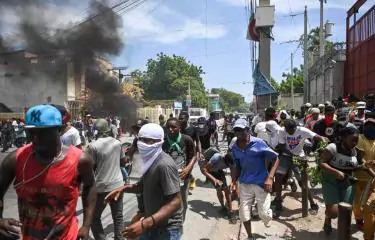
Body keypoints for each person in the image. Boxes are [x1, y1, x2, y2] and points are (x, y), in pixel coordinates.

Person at [0, 105, 97, 239]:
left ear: (59, 129)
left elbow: (90, 187)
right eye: (31, 132)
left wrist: (86, 225)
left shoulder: (80, 160)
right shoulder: (15, 159)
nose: (35, 138)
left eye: (42, 132)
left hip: (68, 236)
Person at [105, 123, 183, 240]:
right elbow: (143, 186)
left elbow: (176, 201)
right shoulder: (150, 160)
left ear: (159, 142)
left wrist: (144, 224)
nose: (142, 144)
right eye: (140, 140)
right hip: (151, 223)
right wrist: (123, 188)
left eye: (148, 141)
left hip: (166, 229)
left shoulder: (164, 164)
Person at [231, 119, 280, 238]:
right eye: (236, 130)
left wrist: (270, 178)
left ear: (247, 130)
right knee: (244, 214)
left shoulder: (258, 143)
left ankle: (267, 217)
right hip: (245, 184)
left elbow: (276, 158)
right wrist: (233, 181)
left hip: (261, 183)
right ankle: (250, 236)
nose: (238, 133)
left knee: (263, 214)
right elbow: (237, 165)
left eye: (240, 130)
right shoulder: (234, 147)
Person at [274, 119, 325, 216]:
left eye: (292, 130)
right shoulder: (281, 131)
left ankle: (313, 204)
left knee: (302, 181)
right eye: (288, 130)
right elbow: (282, 145)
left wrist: (323, 141)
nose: (290, 132)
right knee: (278, 178)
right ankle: (278, 201)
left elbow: (316, 136)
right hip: (286, 156)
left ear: (295, 127)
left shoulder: (302, 130)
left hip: (299, 157)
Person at [88, 118, 126, 240]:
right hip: (118, 184)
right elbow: (123, 163)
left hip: (101, 187)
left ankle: (101, 238)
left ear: (95, 130)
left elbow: (91, 168)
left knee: (94, 217)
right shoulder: (117, 143)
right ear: (108, 128)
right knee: (118, 216)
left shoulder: (93, 146)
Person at [319, 125, 361, 235]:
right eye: (353, 139)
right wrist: (336, 172)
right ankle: (328, 219)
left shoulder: (355, 151)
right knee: (333, 213)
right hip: (331, 181)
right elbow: (322, 163)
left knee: (346, 211)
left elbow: (354, 166)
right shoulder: (332, 148)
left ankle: (343, 234)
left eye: (357, 140)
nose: (355, 142)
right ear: (343, 137)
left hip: (348, 182)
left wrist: (364, 167)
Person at [163, 118, 196, 222]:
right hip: (166, 176)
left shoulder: (187, 139)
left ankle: (180, 222)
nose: (170, 129)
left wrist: (187, 169)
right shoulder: (163, 141)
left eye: (173, 127)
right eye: (168, 127)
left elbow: (194, 156)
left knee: (182, 201)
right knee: (167, 200)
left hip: (183, 177)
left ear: (179, 128)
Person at [199, 148, 237, 224]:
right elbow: (205, 170)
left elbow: (233, 173)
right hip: (211, 171)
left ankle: (230, 211)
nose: (230, 166)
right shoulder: (217, 158)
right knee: (219, 189)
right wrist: (214, 180)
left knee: (226, 189)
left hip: (219, 171)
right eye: (229, 165)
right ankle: (223, 207)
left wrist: (233, 183)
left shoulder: (231, 162)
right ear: (225, 161)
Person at [353, 114, 375, 238]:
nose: (370, 128)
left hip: (372, 180)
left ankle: (368, 227)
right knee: (356, 201)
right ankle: (358, 220)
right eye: (367, 126)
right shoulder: (361, 138)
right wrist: (369, 167)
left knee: (368, 205)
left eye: (373, 126)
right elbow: (359, 158)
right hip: (359, 176)